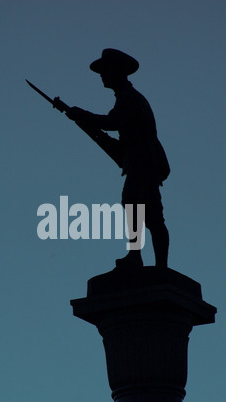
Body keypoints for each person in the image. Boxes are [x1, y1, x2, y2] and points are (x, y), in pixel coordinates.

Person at [67, 48, 170, 268]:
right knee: (144, 211)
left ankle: (142, 258)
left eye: (105, 70)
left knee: (140, 209)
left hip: (143, 164)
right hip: (140, 163)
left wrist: (82, 115)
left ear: (117, 71)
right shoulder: (127, 97)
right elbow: (121, 138)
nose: (102, 75)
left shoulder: (129, 99)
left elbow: (112, 123)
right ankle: (142, 257)